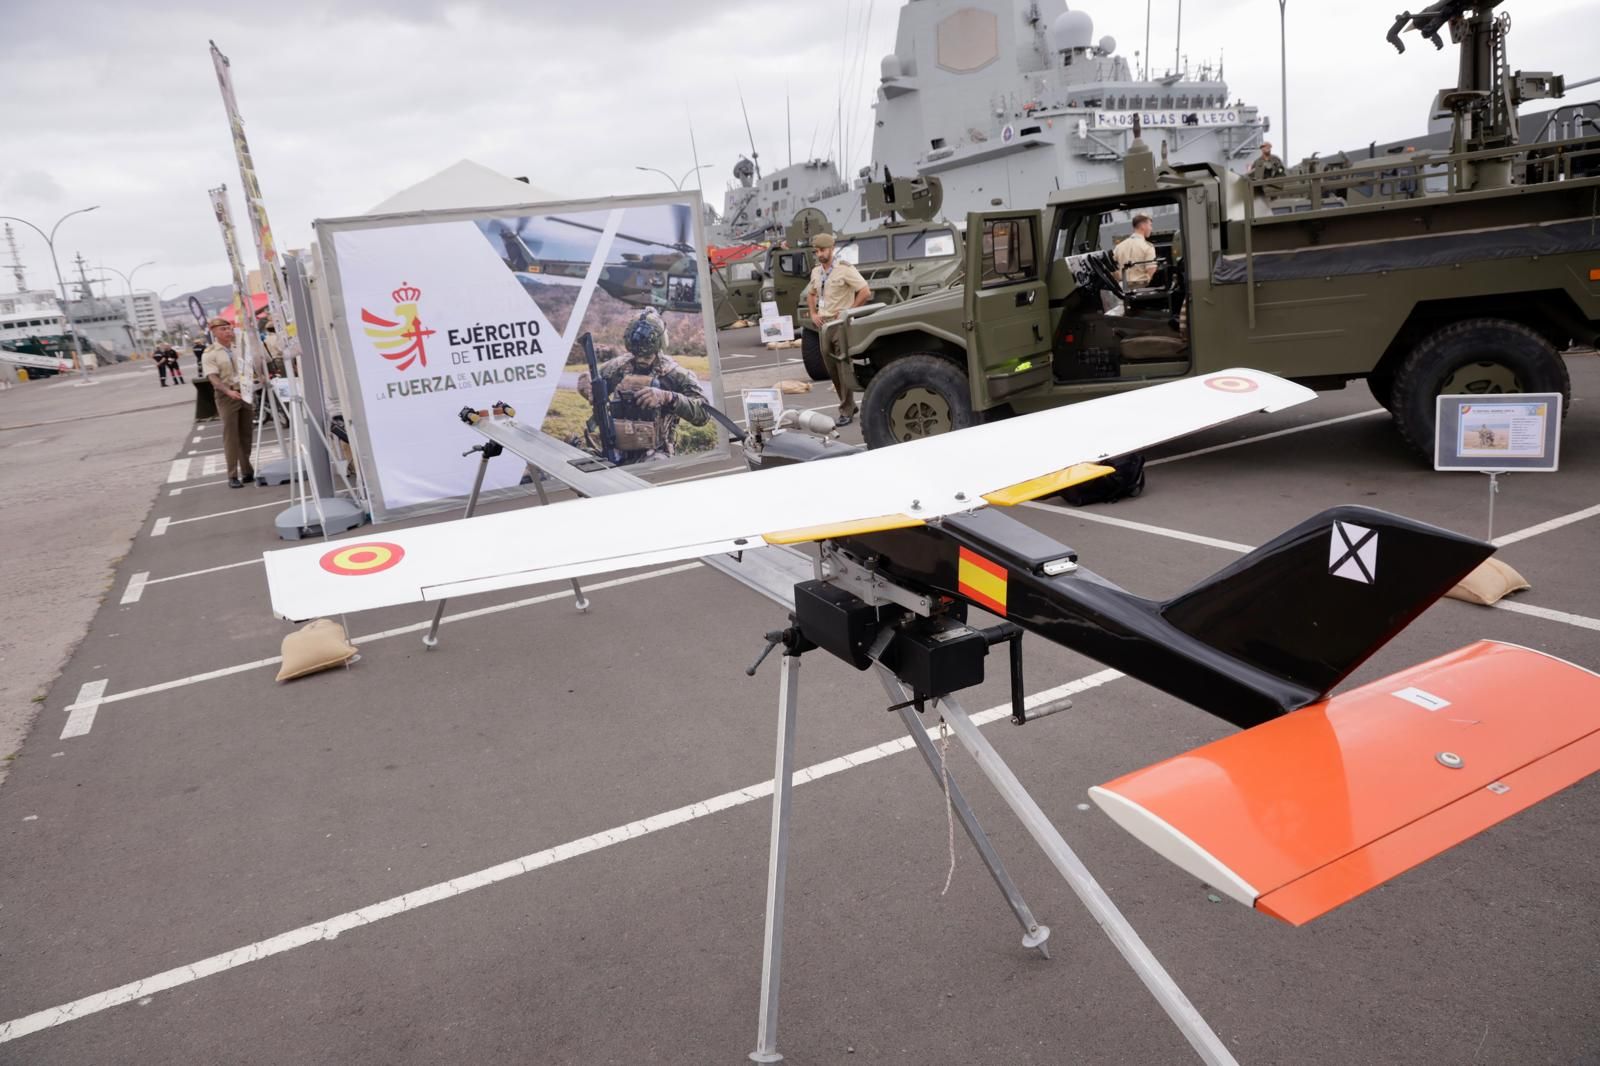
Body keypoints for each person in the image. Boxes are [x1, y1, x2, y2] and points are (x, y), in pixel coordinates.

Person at [575, 309, 710, 465]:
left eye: (647, 356)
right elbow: (589, 378)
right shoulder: (619, 367)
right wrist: (585, 385)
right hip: (615, 448)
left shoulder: (676, 375)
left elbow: (703, 414)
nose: (640, 360)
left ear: (658, 346)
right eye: (636, 355)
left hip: (655, 453)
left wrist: (668, 397)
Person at [806, 232, 871, 427]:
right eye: (817, 251)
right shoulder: (816, 272)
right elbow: (811, 293)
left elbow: (865, 291)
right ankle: (849, 405)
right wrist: (813, 313)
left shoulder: (844, 269)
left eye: (823, 250)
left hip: (839, 325)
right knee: (831, 369)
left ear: (831, 249)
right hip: (823, 325)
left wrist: (848, 311)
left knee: (843, 367)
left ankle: (845, 409)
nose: (820, 254)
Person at [201, 316, 255, 487]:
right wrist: (228, 391)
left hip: (244, 392)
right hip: (226, 395)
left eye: (229, 328)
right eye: (223, 329)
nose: (227, 332)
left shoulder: (239, 348)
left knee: (246, 433)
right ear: (214, 332)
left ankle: (247, 471)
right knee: (231, 436)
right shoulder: (210, 353)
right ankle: (232, 475)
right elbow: (213, 378)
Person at [1113, 214, 1159, 288]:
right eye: (1150, 225)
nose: (1151, 228)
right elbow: (1151, 271)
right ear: (1143, 226)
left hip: (1123, 289)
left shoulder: (1119, 247)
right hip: (1142, 288)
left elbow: (1113, 270)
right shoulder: (1147, 247)